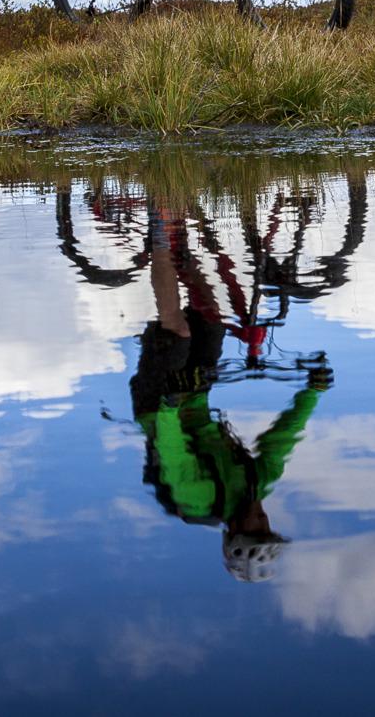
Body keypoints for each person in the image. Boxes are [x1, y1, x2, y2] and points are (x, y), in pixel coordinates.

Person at [128, 204, 330, 582]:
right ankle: (180, 241)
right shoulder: (257, 483)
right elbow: (282, 439)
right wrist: (312, 392)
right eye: (267, 526)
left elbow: (172, 450)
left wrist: (170, 404)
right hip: (195, 396)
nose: (263, 519)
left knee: (178, 334)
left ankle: (159, 234)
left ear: (235, 532)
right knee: (212, 319)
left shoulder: (198, 499)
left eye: (257, 528)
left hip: (157, 407)